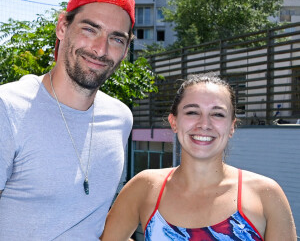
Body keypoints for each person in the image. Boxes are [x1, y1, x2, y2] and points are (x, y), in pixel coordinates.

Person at [0, 0, 135, 240]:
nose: (100, 49)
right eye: (90, 29)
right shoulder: (8, 108)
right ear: (62, 27)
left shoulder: (121, 118)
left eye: (116, 39)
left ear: (126, 49)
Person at [100, 73, 297, 241]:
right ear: (174, 121)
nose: (204, 124)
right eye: (193, 112)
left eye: (218, 114)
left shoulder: (266, 195)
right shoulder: (145, 186)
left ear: (232, 127)